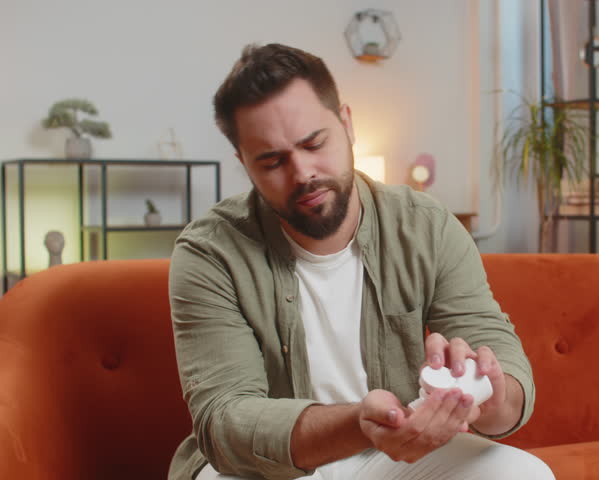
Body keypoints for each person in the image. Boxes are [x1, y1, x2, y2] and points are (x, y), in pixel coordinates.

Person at [168, 43, 554, 480]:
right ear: (244, 164)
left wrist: (485, 391)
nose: (303, 173)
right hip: (267, 467)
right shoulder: (209, 251)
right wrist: (359, 424)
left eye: (314, 142)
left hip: (395, 452)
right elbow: (226, 421)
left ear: (347, 123)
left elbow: (496, 352)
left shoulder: (424, 225)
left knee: (524, 474)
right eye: (272, 160)